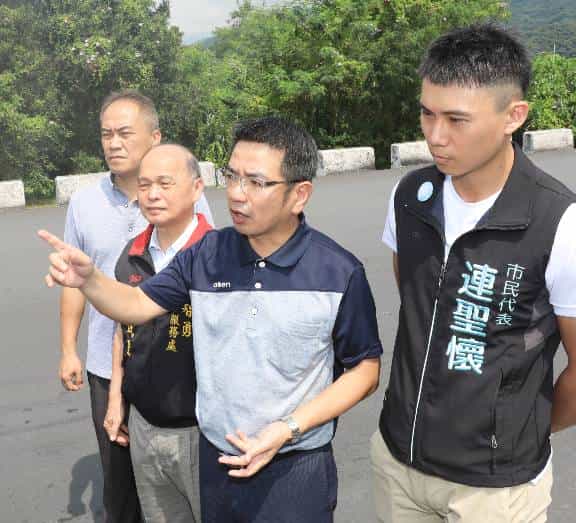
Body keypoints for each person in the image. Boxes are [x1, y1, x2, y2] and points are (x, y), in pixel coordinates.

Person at [40, 116, 382, 523]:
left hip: (295, 468)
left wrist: (289, 427)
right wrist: (90, 280)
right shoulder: (207, 255)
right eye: (232, 177)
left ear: (299, 194)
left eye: (256, 182)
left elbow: (365, 370)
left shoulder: (337, 272)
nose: (236, 194)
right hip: (216, 463)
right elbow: (135, 305)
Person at [373, 23, 576, 522]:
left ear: (514, 116)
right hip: (399, 466)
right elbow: (419, 306)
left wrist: (520, 433)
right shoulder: (411, 197)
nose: (435, 136)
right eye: (427, 113)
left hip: (494, 491)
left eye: (456, 119)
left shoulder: (558, 222)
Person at [59, 89, 213, 522]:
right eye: (106, 134)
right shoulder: (84, 204)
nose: (113, 143)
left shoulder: (187, 197)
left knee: (186, 485)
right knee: (121, 486)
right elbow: (75, 283)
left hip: (177, 367)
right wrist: (68, 349)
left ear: (155, 137)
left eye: (124, 133)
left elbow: (209, 280)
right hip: (108, 363)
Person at [104, 144, 211, 522]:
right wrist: (116, 398)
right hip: (145, 425)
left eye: (165, 184)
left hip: (203, 430)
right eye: (145, 184)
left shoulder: (218, 256)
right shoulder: (131, 255)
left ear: (197, 188)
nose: (152, 194)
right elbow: (123, 329)